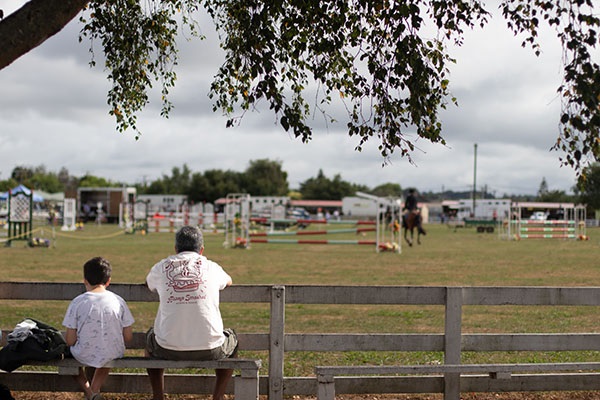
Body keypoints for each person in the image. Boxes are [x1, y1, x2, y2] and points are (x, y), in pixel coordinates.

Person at [145, 226, 238, 400]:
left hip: (167, 348)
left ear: (175, 249)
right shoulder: (212, 267)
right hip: (211, 347)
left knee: (151, 337)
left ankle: (158, 396)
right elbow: (229, 280)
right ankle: (217, 396)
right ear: (201, 250)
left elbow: (148, 283)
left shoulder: (162, 266)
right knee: (231, 338)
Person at [62, 257, 135, 400]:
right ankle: (94, 392)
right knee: (107, 353)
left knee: (69, 357)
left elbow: (70, 340)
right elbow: (128, 337)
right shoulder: (118, 301)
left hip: (84, 352)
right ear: (108, 281)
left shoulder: (78, 302)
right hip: (113, 351)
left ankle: (90, 392)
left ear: (85, 280)